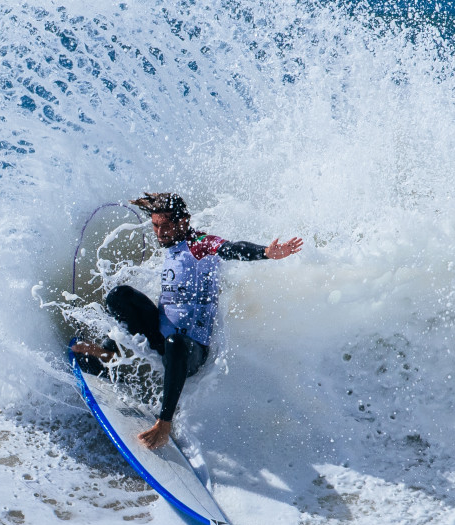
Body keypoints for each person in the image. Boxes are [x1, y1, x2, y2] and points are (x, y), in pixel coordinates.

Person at [74, 193, 303, 450]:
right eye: (155, 226)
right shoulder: (171, 247)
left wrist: (265, 253)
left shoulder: (200, 244)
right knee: (119, 296)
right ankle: (109, 353)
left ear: (184, 222)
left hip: (189, 351)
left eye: (166, 226)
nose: (159, 233)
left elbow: (230, 248)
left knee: (175, 342)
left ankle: (164, 423)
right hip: (160, 336)